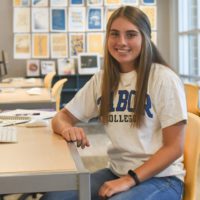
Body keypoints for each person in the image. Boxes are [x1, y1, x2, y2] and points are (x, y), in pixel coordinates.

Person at [41, 6, 187, 200]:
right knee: (54, 198)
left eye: (131, 34)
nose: (122, 42)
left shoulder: (163, 79)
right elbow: (62, 117)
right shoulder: (102, 79)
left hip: (162, 178)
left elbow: (174, 147)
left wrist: (130, 179)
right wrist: (67, 128)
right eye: (115, 34)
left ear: (145, 38)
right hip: (117, 171)